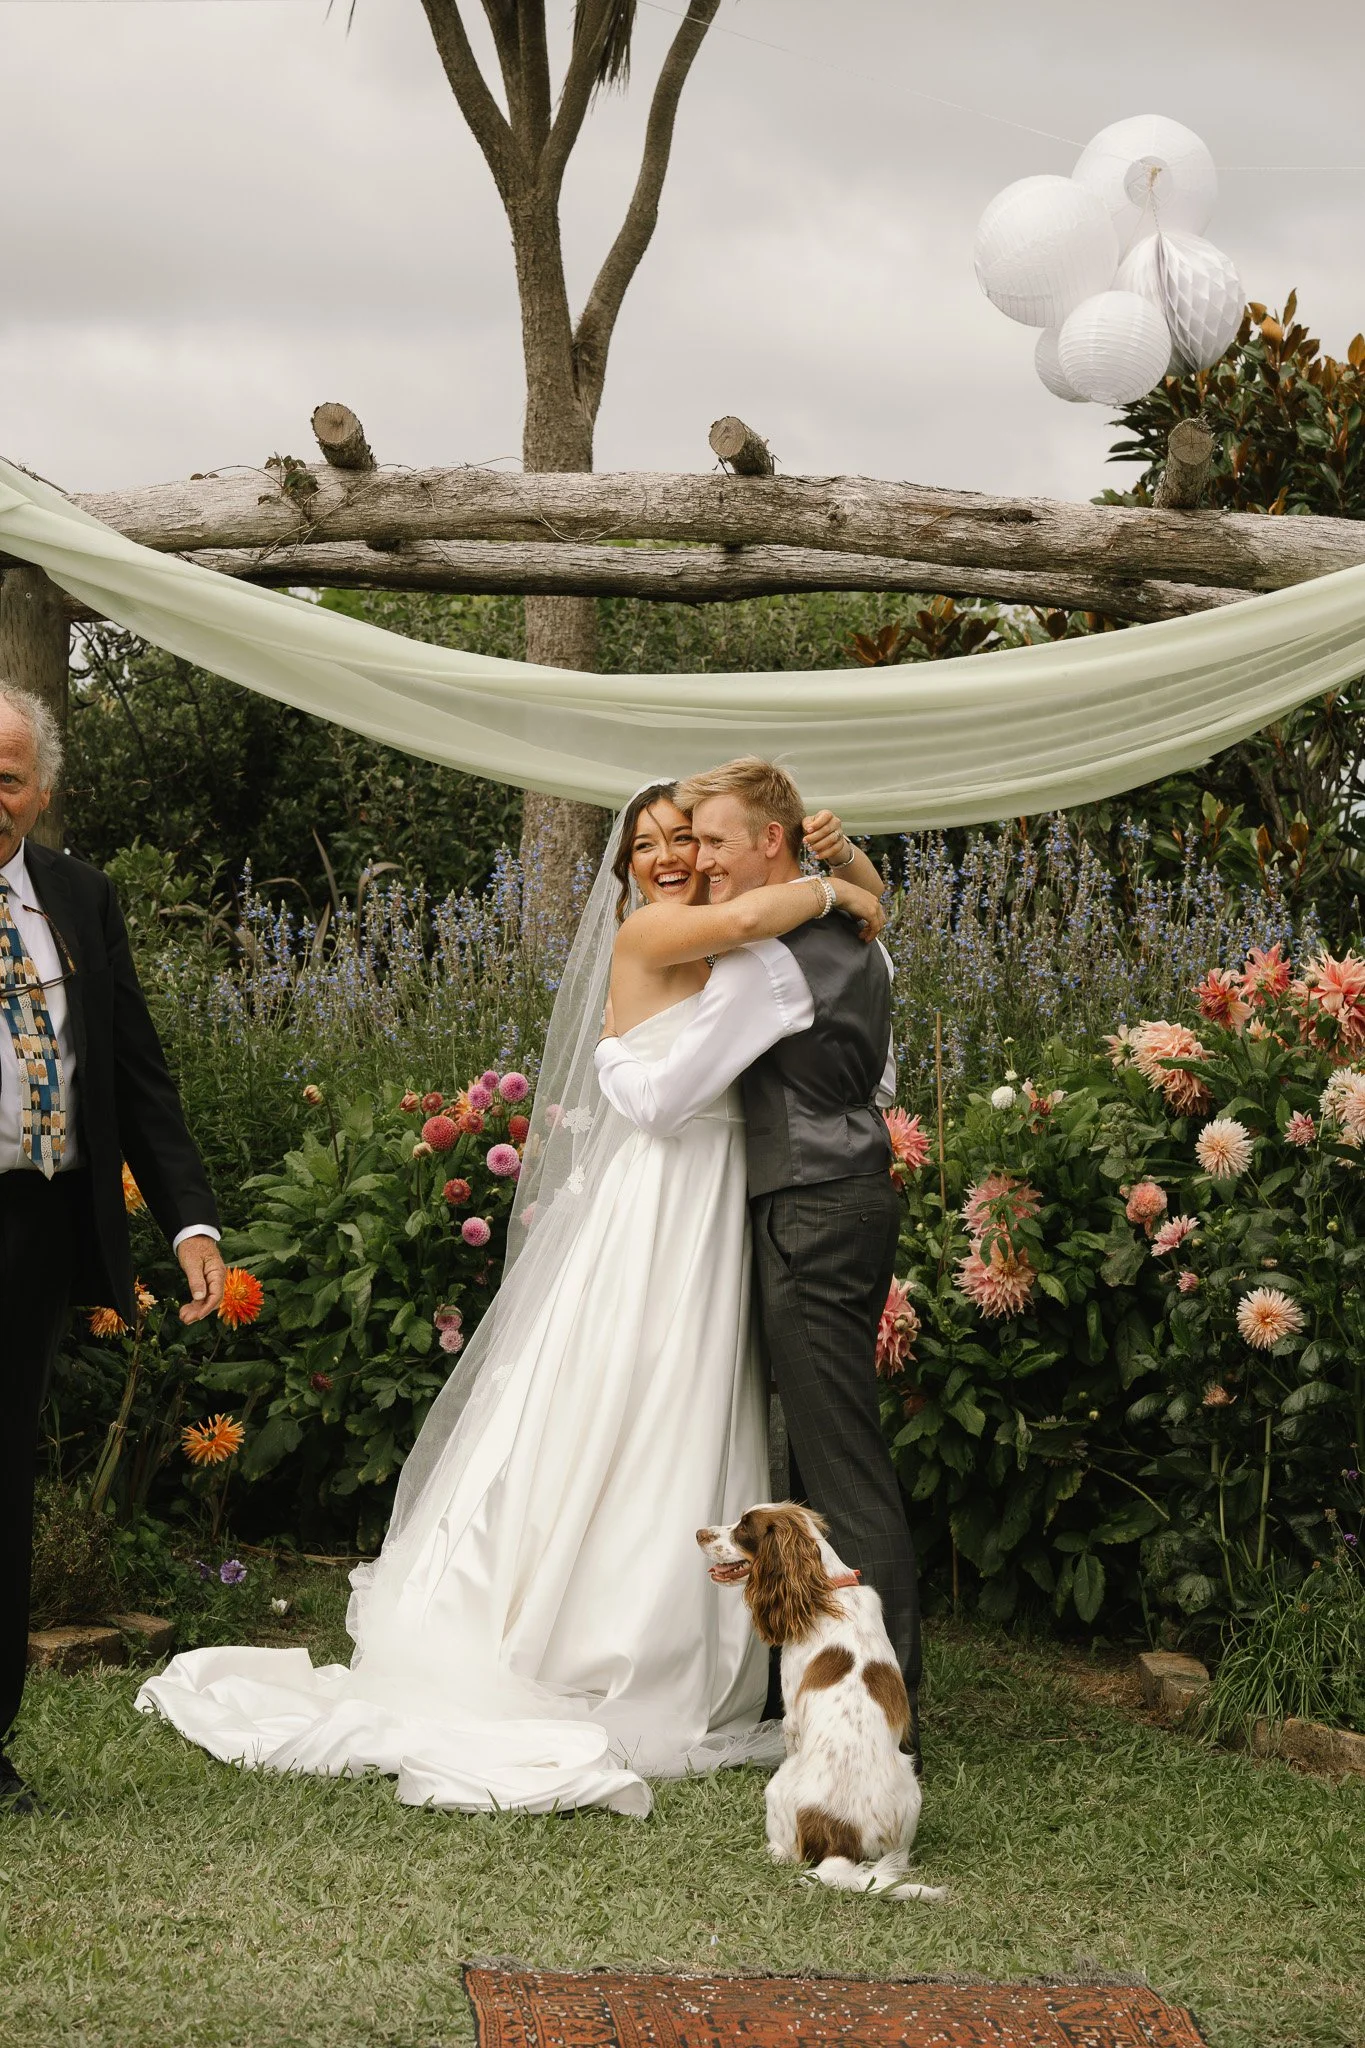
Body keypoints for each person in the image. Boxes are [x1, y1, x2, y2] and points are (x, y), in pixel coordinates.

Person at [137, 783, 885, 1817]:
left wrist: (855, 880)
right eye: (654, 842)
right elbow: (754, 930)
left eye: (690, 840)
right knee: (634, 1386)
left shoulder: (729, 935)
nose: (675, 856)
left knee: (684, 1395)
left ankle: (673, 1624)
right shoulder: (665, 924)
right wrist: (841, 887)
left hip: (715, 1195)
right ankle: (595, 1633)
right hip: (662, 1196)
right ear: (625, 863)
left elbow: (765, 953)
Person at [595, 757, 922, 1764]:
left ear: (770, 842)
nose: (699, 861)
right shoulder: (861, 946)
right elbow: (877, 1059)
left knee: (841, 1466)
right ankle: (817, 1681)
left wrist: (612, 1053)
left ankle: (880, 1723)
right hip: (854, 1193)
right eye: (677, 845)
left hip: (808, 1209)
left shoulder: (768, 962)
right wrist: (848, 880)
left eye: (716, 842)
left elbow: (663, 1096)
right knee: (816, 1452)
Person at [0, 682, 224, 1818]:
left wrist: (188, 1216)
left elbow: (136, 1072)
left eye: (6, 776)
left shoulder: (80, 897)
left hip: (31, 1231)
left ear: (41, 788)